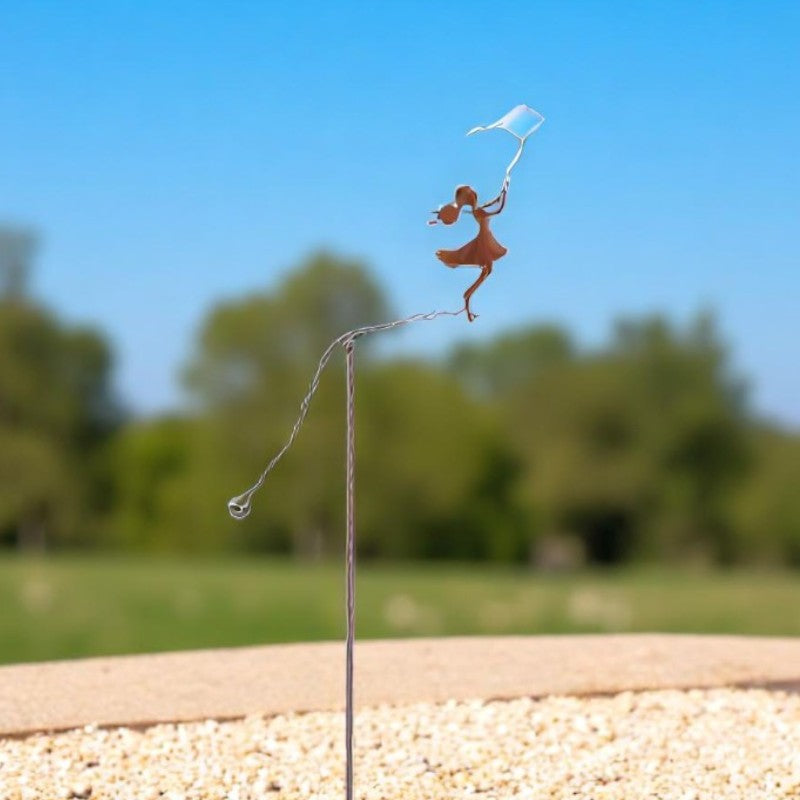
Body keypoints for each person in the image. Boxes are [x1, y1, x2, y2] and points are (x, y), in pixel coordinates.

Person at [430, 182, 508, 321]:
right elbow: (498, 207)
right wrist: (505, 187)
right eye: (469, 191)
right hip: (483, 242)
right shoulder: (478, 211)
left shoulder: (477, 210)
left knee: (487, 269)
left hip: (484, 240)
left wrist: (503, 190)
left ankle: (467, 300)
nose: (472, 191)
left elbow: (497, 205)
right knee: (487, 269)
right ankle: (467, 299)